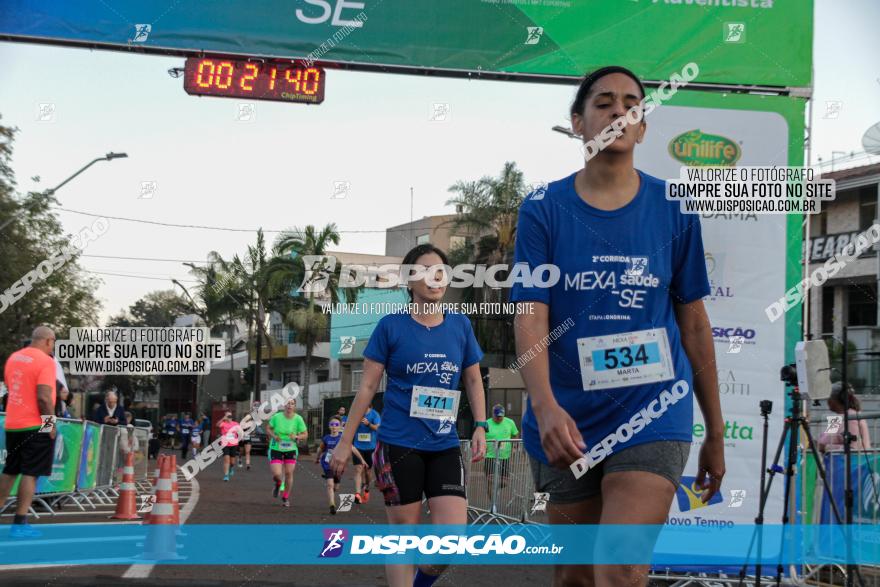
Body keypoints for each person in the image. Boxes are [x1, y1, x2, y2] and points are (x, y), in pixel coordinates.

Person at [510, 65, 725, 587]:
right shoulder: (542, 209)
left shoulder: (673, 207)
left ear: (643, 126)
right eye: (603, 102)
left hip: (652, 409)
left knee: (619, 570)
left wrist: (715, 430)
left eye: (632, 103)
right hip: (567, 420)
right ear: (578, 122)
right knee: (576, 577)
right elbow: (530, 311)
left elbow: (693, 323)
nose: (618, 111)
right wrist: (544, 404)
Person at [331, 243, 487, 587]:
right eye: (426, 271)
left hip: (444, 444)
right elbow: (368, 389)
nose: (436, 278)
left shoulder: (460, 326)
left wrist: (480, 425)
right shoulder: (390, 326)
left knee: (452, 541)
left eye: (441, 271)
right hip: (400, 445)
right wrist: (345, 441)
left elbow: (473, 378)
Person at [0, 326, 58, 537]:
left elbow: (11, 387)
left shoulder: (14, 358)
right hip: (35, 424)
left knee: (10, 471)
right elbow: (43, 397)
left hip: (13, 422)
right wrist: (50, 425)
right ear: (49, 341)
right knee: (30, 473)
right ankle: (20, 523)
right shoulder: (46, 362)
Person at [316, 416, 363, 515]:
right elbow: (320, 449)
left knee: (336, 487)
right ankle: (332, 505)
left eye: (336, 425)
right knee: (330, 484)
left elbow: (353, 448)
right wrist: (317, 458)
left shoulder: (342, 438)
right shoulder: (326, 438)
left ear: (340, 426)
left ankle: (333, 487)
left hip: (339, 462)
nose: (334, 427)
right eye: (332, 424)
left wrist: (362, 459)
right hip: (328, 460)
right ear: (329, 426)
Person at [266, 398, 308, 507]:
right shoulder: (276, 417)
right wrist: (274, 436)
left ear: (294, 406)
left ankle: (285, 497)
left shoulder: (298, 419)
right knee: (277, 473)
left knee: (289, 473)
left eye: (292, 403)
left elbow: (305, 434)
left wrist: (297, 436)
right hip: (276, 448)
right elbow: (268, 428)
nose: (290, 405)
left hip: (291, 448)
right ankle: (278, 483)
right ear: (284, 405)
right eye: (288, 403)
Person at [819, 382, 872, 452]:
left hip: (854, 462)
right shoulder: (836, 418)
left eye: (828, 398)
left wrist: (826, 447)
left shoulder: (852, 418)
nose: (827, 401)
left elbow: (853, 448)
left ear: (835, 399)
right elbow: (824, 441)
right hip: (835, 461)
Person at [484, 404, 518, 499]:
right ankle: (492, 506)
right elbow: (481, 436)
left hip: (504, 456)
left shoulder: (510, 422)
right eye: (497, 416)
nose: (499, 418)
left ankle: (496, 488)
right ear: (493, 414)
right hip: (490, 456)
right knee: (491, 480)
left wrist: (515, 447)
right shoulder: (487, 423)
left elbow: (515, 434)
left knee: (505, 482)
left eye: (501, 416)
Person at [352, 400, 380, 504]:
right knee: (358, 469)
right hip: (358, 446)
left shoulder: (374, 414)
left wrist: (369, 424)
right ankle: (358, 494)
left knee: (368, 471)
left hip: (370, 447)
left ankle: (367, 488)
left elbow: (378, 428)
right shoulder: (356, 414)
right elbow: (350, 426)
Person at [217, 411, 241, 482]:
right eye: (228, 416)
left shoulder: (235, 424)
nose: (229, 418)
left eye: (230, 416)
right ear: (225, 417)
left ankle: (231, 467)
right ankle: (226, 475)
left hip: (233, 444)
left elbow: (240, 432)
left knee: (232, 462)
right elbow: (217, 425)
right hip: (225, 444)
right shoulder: (223, 423)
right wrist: (222, 418)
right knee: (226, 460)